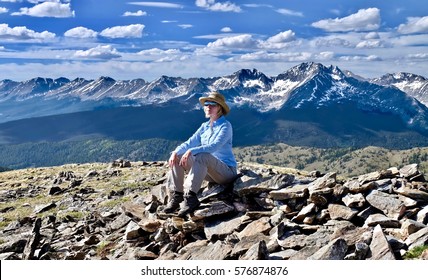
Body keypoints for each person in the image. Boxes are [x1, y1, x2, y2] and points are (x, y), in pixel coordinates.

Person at [163, 91, 238, 217]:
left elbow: (213, 146)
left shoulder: (225, 126)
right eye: (206, 104)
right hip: (209, 171)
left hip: (226, 172)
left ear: (219, 107)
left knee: (202, 156)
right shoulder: (204, 127)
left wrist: (192, 151)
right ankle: (178, 196)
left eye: (212, 104)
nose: (208, 107)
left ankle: (191, 198)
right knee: (178, 157)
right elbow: (189, 142)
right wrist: (175, 152)